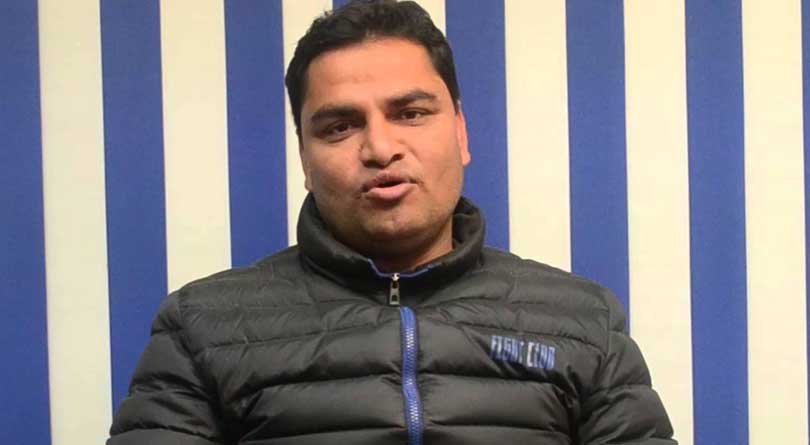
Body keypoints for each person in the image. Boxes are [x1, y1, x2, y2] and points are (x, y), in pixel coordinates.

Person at [108, 1, 675, 444]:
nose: (380, 148)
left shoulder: (582, 322)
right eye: (339, 126)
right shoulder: (202, 329)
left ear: (461, 132)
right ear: (304, 158)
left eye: (410, 113)